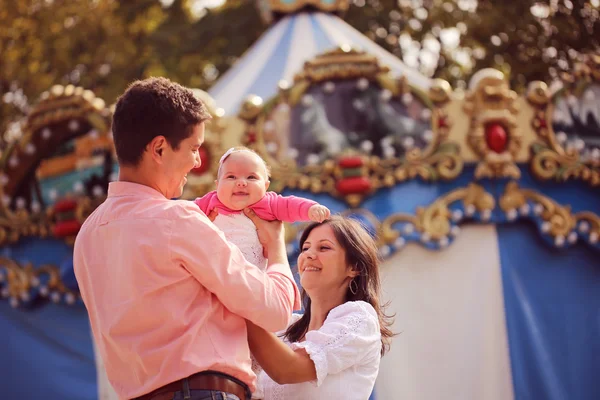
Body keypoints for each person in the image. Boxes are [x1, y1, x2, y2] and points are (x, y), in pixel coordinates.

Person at [73, 77, 300, 400]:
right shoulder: (176, 220)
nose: (197, 160)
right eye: (194, 148)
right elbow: (275, 309)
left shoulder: (88, 234)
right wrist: (275, 246)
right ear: (160, 148)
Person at [246, 216, 395, 399]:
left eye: (324, 247)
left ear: (354, 267)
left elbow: (287, 369)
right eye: (305, 248)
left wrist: (239, 302)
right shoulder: (283, 328)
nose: (308, 254)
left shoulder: (360, 319)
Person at [194, 146, 331, 269]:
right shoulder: (210, 201)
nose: (241, 183)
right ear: (217, 185)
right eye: (231, 177)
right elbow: (183, 211)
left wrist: (311, 209)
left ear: (266, 186)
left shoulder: (268, 203)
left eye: (251, 177)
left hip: (251, 276)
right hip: (212, 271)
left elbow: (290, 205)